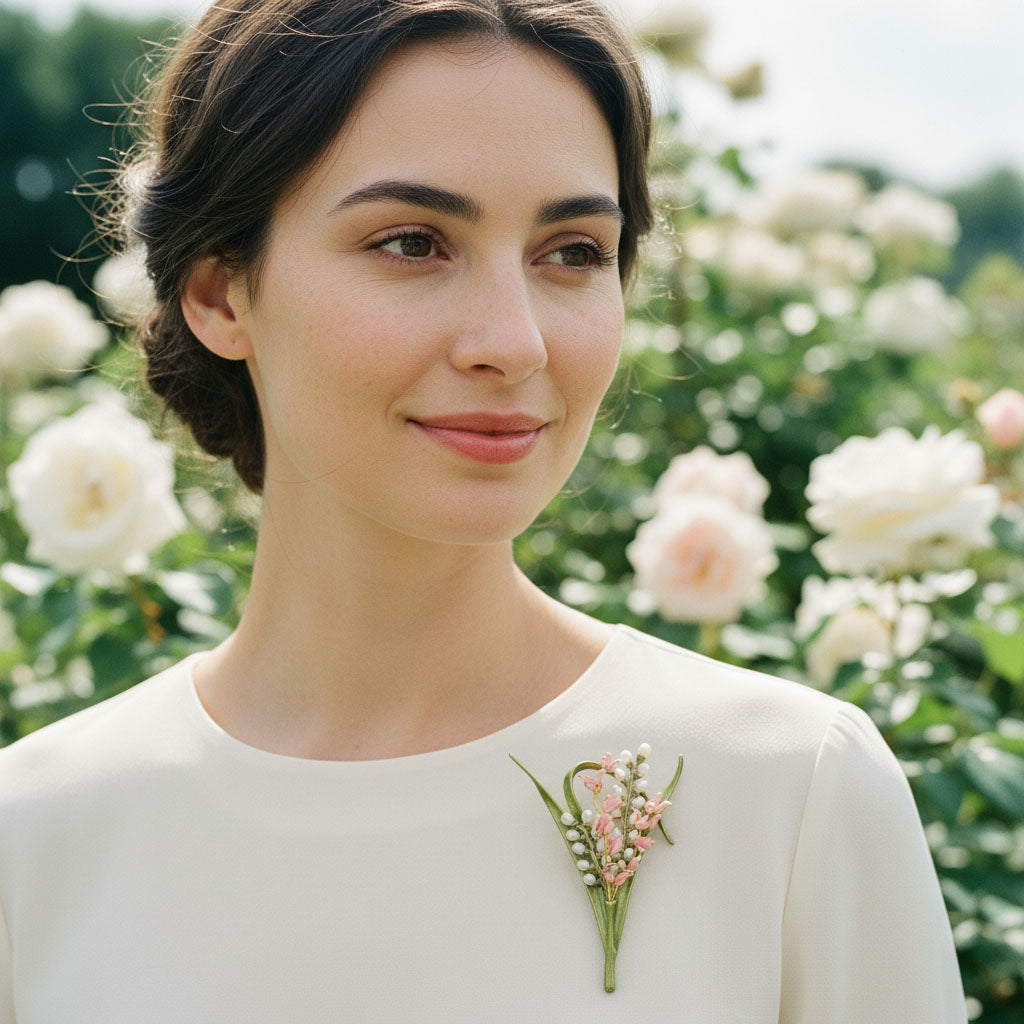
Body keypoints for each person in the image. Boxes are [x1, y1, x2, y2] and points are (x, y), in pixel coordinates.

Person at [0, 0, 966, 1020]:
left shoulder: (790, 793)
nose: (516, 341)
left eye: (574, 252)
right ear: (218, 295)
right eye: (413, 242)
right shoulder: (35, 836)